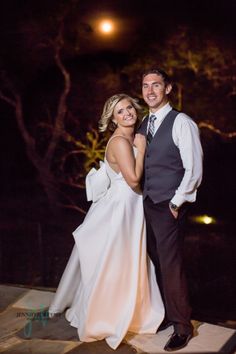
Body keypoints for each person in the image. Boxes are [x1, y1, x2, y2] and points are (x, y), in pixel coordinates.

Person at [49, 93, 164, 350]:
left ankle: (130, 311)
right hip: (122, 207)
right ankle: (107, 317)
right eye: (120, 112)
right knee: (117, 262)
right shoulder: (121, 142)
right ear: (113, 120)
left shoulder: (130, 137)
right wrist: (142, 148)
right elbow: (133, 179)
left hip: (131, 206)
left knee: (127, 260)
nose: (127, 114)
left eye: (129, 108)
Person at [138, 68, 203, 352]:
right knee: (155, 263)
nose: (150, 90)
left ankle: (182, 326)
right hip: (147, 204)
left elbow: (194, 168)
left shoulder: (182, 122)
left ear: (168, 89)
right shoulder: (144, 122)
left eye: (156, 85)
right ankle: (165, 314)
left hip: (168, 205)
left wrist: (177, 202)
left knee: (172, 265)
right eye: (145, 85)